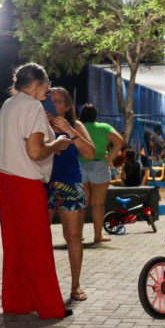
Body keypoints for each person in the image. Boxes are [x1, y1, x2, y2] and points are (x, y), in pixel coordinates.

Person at [0, 63, 72, 320]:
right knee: (37, 247)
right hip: (26, 183)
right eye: (47, 85)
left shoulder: (8, 104)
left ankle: (18, 302)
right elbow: (36, 151)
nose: (48, 92)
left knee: (15, 247)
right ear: (37, 83)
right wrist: (58, 143)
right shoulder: (33, 106)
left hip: (4, 181)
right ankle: (50, 308)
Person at [47, 87, 96, 302]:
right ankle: (43, 285)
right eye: (50, 101)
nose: (54, 105)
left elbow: (90, 153)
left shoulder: (76, 125)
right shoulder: (38, 125)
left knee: (74, 236)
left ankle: (75, 286)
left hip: (70, 185)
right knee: (40, 237)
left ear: (67, 106)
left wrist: (69, 130)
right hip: (43, 185)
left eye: (59, 101)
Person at [78, 103, 123, 245]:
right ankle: (98, 236)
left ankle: (77, 235)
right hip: (99, 165)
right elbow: (119, 141)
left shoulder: (78, 127)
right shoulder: (104, 128)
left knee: (82, 203)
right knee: (98, 204)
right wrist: (110, 158)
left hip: (80, 165)